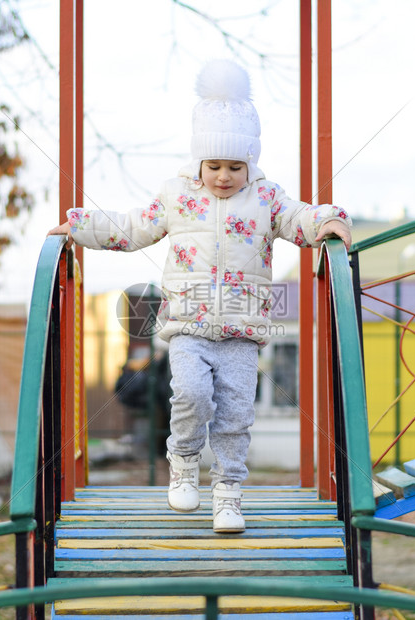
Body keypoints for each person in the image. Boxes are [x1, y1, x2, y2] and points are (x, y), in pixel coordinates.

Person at [48, 59, 352, 534]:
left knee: (236, 413)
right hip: (188, 325)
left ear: (250, 163)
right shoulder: (177, 197)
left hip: (242, 331)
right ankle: (184, 460)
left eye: (236, 166)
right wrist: (80, 226)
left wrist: (327, 221)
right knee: (190, 393)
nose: (225, 176)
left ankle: (228, 494)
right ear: (199, 161)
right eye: (215, 166)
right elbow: (131, 227)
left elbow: (298, 218)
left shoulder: (266, 199)